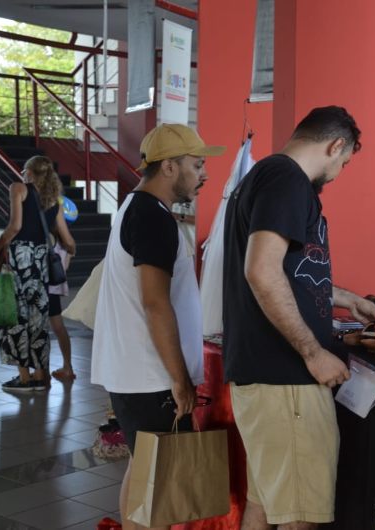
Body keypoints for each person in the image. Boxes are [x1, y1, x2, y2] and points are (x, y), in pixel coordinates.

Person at [223, 106, 375, 530]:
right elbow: (260, 271)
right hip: (287, 381)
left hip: (266, 379)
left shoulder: (262, 178)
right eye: (343, 163)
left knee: (264, 505)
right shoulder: (288, 181)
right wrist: (313, 352)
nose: (337, 174)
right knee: (299, 517)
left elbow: (287, 271)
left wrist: (345, 298)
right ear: (335, 145)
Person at [90, 123, 224, 530]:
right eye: (196, 165)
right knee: (159, 485)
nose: (204, 175)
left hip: (135, 373)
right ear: (169, 167)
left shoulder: (136, 208)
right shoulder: (152, 217)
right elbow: (155, 302)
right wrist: (181, 379)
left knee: (144, 470)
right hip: (152, 376)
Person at [0, 155, 75, 392]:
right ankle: (40, 376)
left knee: (16, 317)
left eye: (24, 170)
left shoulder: (18, 188)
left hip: (21, 259)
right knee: (38, 319)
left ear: (30, 173)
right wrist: (66, 255)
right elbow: (69, 242)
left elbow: (15, 227)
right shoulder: (55, 200)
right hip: (41, 261)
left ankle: (23, 379)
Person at [49, 239, 75, 381]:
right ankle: (67, 367)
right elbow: (66, 263)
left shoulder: (44, 229)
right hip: (55, 286)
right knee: (59, 327)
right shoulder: (64, 240)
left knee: (37, 329)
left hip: (41, 284)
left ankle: (41, 371)